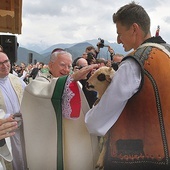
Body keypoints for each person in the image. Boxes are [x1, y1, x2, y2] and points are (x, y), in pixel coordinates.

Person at [85, 2, 170, 170]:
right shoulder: (167, 53)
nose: (117, 40)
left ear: (134, 28)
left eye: (119, 33)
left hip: (137, 159)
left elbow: (97, 121)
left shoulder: (134, 64)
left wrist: (86, 118)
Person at [21, 50, 99, 170]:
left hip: (71, 140)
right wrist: (72, 78)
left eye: (69, 66)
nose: (66, 70)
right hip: (50, 142)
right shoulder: (40, 82)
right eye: (62, 65)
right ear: (51, 65)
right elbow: (44, 91)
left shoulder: (73, 83)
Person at [0, 52, 27, 170]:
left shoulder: (17, 80)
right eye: (0, 63)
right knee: (11, 159)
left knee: (24, 155)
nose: (4, 65)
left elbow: (29, 99)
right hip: (5, 130)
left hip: (22, 127)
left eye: (6, 61)